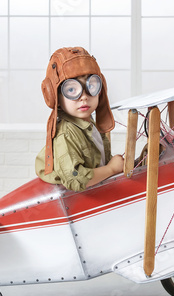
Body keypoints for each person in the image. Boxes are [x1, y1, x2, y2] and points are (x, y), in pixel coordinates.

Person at [35, 47, 124, 192]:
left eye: (91, 86)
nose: (84, 96)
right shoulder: (66, 135)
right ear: (55, 96)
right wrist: (111, 169)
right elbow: (76, 179)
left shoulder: (89, 125)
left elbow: (98, 162)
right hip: (71, 202)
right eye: (71, 90)